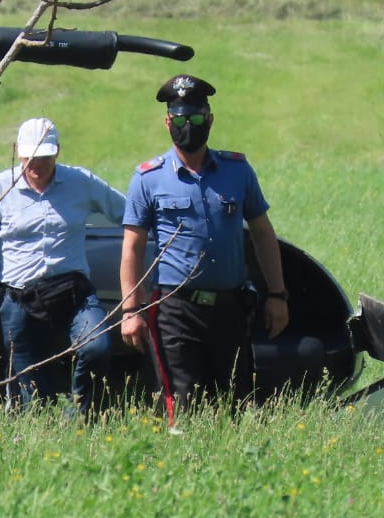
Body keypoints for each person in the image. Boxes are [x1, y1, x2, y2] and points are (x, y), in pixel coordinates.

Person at [119, 75, 289, 417]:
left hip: (231, 308)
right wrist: (130, 311)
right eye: (180, 119)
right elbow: (132, 250)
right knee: (183, 402)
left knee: (237, 401)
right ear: (168, 122)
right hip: (175, 310)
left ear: (209, 119)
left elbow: (262, 234)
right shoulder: (148, 178)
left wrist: (277, 295)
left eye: (195, 118)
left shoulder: (237, 171)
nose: (188, 126)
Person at [0, 117, 126, 416]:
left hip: (73, 292)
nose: (36, 166)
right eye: (29, 159)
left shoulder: (81, 182)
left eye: (44, 158)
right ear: (17, 152)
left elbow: (128, 213)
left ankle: (78, 418)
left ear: (57, 152)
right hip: (19, 298)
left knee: (96, 348)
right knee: (30, 391)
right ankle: (37, 436)